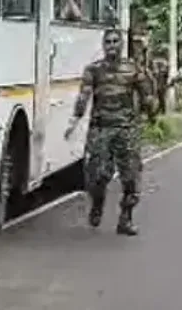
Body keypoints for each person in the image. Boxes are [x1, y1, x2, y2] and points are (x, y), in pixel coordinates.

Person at [64, 28, 157, 236]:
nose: (112, 45)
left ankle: (126, 219)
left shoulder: (133, 69)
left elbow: (147, 94)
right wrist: (75, 119)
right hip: (101, 129)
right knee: (98, 175)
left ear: (122, 44)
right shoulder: (94, 70)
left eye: (116, 41)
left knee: (131, 177)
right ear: (103, 45)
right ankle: (97, 203)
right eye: (108, 42)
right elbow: (84, 96)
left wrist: (152, 115)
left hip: (126, 130)